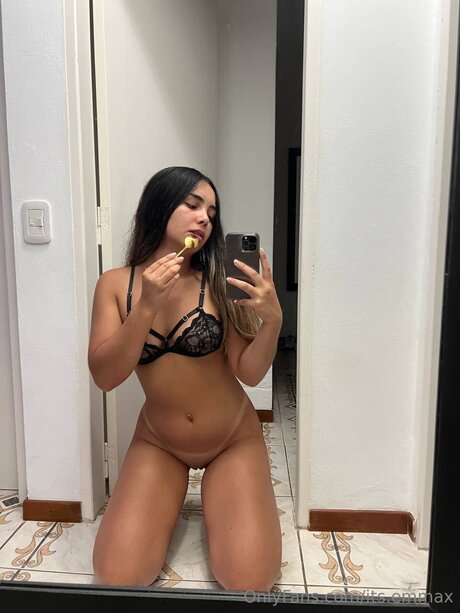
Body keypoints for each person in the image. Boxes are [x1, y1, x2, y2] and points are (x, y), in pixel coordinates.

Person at [88, 166, 283, 591]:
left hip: (231, 438)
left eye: (211, 213)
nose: (204, 219)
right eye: (192, 205)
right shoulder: (115, 285)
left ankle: (221, 496)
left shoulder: (218, 281)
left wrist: (272, 321)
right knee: (117, 577)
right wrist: (146, 306)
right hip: (160, 441)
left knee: (250, 580)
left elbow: (249, 373)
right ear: (159, 206)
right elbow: (105, 377)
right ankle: (167, 500)